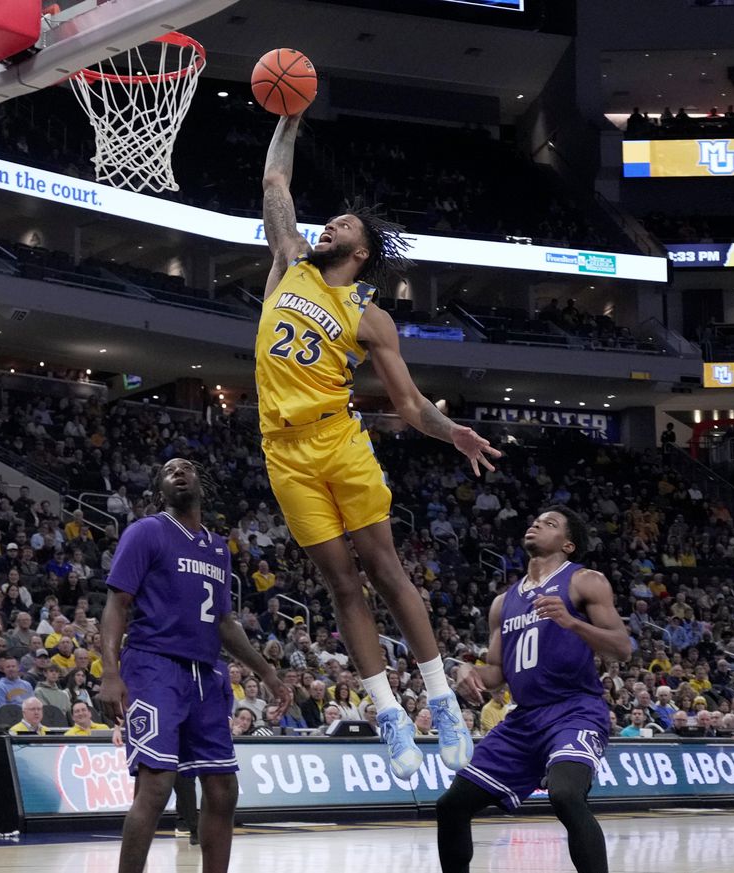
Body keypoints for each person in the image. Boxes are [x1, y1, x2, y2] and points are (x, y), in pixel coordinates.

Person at [258, 114, 496, 777]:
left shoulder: (372, 318)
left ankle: (443, 699)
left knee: (385, 571)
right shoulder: (288, 265)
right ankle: (389, 712)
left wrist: (453, 432)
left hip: (338, 440)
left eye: (342, 226)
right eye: (327, 222)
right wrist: (290, 118)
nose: (327, 227)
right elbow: (276, 179)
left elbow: (410, 405)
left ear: (361, 252)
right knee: (340, 585)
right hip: (283, 451)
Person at [99, 457, 289, 873]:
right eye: (168, 470)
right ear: (160, 489)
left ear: (202, 483)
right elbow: (116, 603)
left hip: (207, 674)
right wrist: (109, 672)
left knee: (223, 788)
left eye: (186, 468)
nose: (178, 472)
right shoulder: (146, 532)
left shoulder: (218, 548)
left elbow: (224, 622)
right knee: (156, 785)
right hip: (153, 667)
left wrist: (267, 671)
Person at [437, 507, 631, 873]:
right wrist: (465, 669)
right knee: (451, 806)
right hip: (524, 719)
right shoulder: (503, 602)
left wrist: (571, 622)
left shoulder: (585, 581)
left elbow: (622, 647)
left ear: (568, 544)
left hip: (575, 709)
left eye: (551, 523)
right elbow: (495, 673)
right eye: (536, 519)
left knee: (566, 794)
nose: (537, 523)